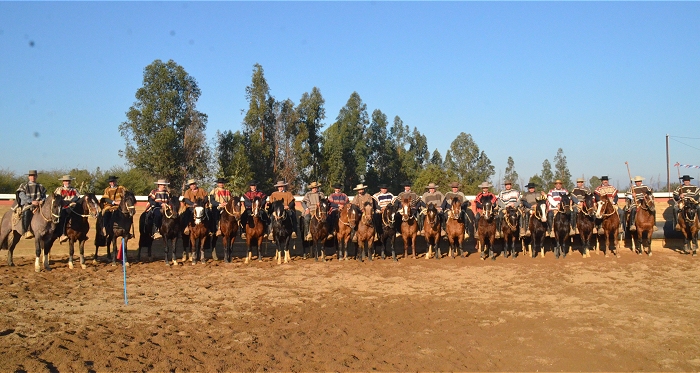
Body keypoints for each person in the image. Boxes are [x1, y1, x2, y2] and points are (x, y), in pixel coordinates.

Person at [14, 170, 47, 239]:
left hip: (39, 205)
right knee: (27, 212)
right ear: (29, 177)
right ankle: (26, 231)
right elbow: (21, 195)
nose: (33, 177)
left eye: (34, 176)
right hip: (28, 204)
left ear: (36, 176)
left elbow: (44, 196)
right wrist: (31, 201)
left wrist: (42, 200)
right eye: (31, 176)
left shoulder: (40, 186)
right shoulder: (24, 185)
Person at [55, 175, 80, 244]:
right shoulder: (59, 189)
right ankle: (62, 234)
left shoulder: (74, 190)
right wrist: (65, 203)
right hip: (63, 208)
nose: (67, 182)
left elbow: (78, 199)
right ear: (63, 182)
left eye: (68, 181)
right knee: (63, 217)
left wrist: (74, 203)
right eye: (66, 181)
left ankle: (82, 233)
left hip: (73, 208)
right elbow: (56, 200)